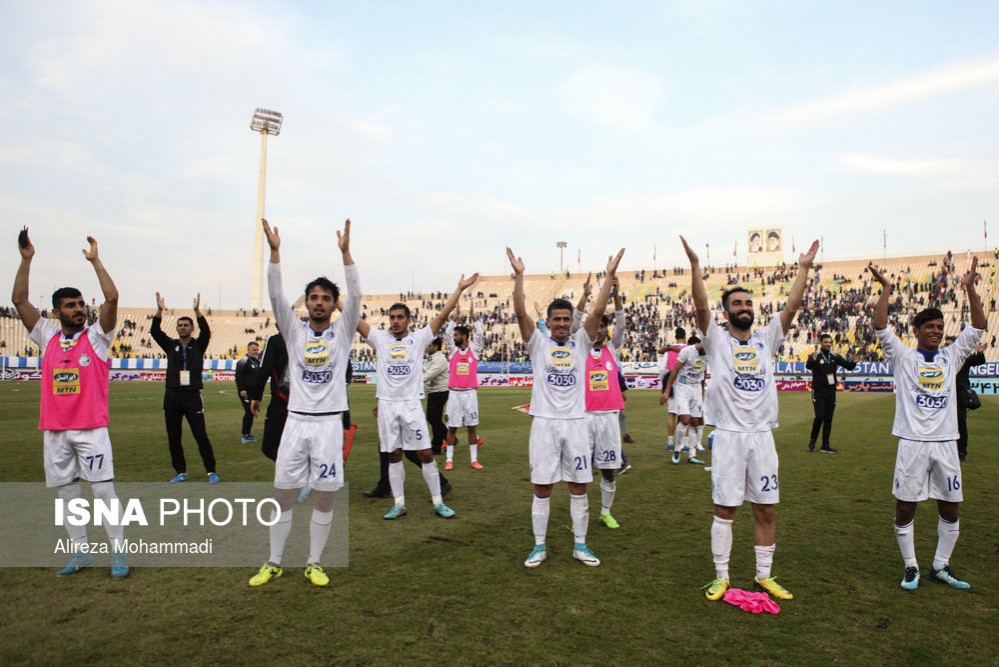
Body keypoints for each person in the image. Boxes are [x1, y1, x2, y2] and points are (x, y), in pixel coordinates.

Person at [683, 235, 818, 602]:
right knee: (725, 509)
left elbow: (790, 308)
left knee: (765, 508)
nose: (744, 307)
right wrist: (696, 268)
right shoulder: (716, 340)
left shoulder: (766, 339)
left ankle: (763, 576)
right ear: (726, 312)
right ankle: (722, 577)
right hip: (727, 436)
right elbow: (699, 308)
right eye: (736, 303)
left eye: (747, 302)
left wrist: (803, 269)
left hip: (762, 436)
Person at [248, 217, 360, 588]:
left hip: (329, 424)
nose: (318, 303)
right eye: (313, 297)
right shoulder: (293, 330)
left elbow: (356, 298)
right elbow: (276, 294)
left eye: (326, 298)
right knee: (282, 496)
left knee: (324, 500)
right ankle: (273, 561)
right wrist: (275, 253)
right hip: (295, 422)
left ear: (333, 305)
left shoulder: (343, 334)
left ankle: (314, 562)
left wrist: (346, 256)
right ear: (307, 302)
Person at [12, 230, 128, 578]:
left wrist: (96, 262)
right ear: (56, 311)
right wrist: (26, 259)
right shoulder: (47, 336)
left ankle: (118, 554)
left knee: (104, 491)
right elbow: (19, 300)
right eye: (71, 306)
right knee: (68, 496)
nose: (79, 310)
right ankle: (81, 553)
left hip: (91, 429)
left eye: (81, 304)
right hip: (55, 430)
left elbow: (112, 298)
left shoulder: (96, 336)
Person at [869, 259, 985, 591]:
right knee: (906, 507)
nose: (936, 331)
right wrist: (887, 290)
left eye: (939, 326)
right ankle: (910, 567)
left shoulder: (952, 356)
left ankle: (940, 566)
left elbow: (978, 327)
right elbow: (879, 326)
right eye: (929, 327)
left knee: (951, 507)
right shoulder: (903, 357)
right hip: (912, 443)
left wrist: (971, 288)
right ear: (917, 331)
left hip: (946, 443)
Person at [508, 245, 624, 568]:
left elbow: (598, 312)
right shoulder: (538, 344)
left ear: (573, 321)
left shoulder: (582, 343)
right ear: (547, 322)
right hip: (544, 422)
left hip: (576, 422)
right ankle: (539, 546)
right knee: (542, 487)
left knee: (578, 487)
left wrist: (608, 278)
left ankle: (580, 545)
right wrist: (519, 278)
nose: (561, 324)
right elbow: (519, 313)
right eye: (556, 319)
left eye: (566, 319)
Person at [358, 273, 479, 520]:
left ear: (408, 320)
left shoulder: (419, 339)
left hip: (411, 405)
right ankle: (399, 503)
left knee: (424, 452)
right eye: (392, 317)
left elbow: (443, 315)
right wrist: (340, 302)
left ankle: (438, 502)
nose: (395, 321)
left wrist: (459, 289)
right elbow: (354, 320)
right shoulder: (380, 339)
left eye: (400, 317)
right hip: (388, 405)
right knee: (393, 454)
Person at [151, 292, 218, 484]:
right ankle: (180, 471)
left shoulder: (198, 345)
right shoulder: (170, 345)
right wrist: (159, 311)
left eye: (186, 325)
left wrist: (197, 312)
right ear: (177, 328)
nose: (182, 328)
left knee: (200, 435)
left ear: (191, 328)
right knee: (174, 436)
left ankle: (211, 471)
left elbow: (207, 332)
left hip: (192, 396)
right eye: (180, 325)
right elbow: (155, 332)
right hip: (172, 395)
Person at [443, 301, 485, 470]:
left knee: (471, 427)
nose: (454, 337)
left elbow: (480, 335)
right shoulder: (452, 351)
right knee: (452, 427)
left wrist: (475, 319)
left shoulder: (473, 351)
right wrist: (454, 318)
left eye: (457, 335)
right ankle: (449, 459)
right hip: (454, 394)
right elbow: (446, 334)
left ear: (465, 337)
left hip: (470, 394)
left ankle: (474, 460)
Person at [805, 333, 861, 453]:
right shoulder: (816, 355)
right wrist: (812, 360)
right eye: (826, 342)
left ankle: (825, 445)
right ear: (821, 343)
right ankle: (813, 440)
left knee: (828, 419)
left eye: (830, 342)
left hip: (830, 391)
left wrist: (854, 362)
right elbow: (808, 366)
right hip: (818, 390)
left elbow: (848, 366)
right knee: (819, 416)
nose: (828, 344)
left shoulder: (835, 356)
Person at [662, 335, 707, 465]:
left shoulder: (709, 353)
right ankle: (677, 449)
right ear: (702, 343)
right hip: (682, 387)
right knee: (685, 419)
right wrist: (667, 391)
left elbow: (703, 373)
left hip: (696, 388)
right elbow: (675, 371)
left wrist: (701, 392)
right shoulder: (687, 351)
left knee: (695, 421)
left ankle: (692, 455)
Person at [250, 331, 289, 462]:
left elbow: (264, 369)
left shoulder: (275, 341)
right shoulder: (308, 337)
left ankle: (296, 474)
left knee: (269, 446)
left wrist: (256, 397)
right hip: (307, 403)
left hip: (282, 400)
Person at [947, 336, 987, 463]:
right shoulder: (941, 358)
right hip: (945, 396)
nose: (946, 346)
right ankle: (948, 451)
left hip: (959, 396)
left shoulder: (963, 357)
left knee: (960, 425)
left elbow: (979, 361)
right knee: (945, 425)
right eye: (945, 344)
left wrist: (979, 352)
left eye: (949, 344)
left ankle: (961, 453)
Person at [658, 327, 687, 451]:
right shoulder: (688, 349)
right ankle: (684, 444)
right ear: (685, 337)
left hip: (671, 383)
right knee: (685, 415)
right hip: (684, 384)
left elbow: (662, 369)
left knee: (671, 414)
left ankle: (670, 443)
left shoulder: (669, 351)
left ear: (675, 337)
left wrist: (664, 384)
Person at [424, 337, 449, 456]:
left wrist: (414, 382)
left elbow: (429, 375)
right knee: (435, 419)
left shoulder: (439, 360)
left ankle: (450, 440)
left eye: (429, 346)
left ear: (436, 347)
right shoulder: (434, 358)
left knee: (432, 418)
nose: (427, 348)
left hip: (439, 391)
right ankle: (436, 446)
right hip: (435, 391)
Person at [235, 341, 262, 444]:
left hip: (253, 392)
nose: (256, 351)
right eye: (254, 349)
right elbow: (239, 376)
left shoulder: (256, 361)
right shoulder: (243, 361)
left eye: (257, 350)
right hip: (246, 392)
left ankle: (247, 434)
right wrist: (241, 389)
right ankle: (246, 435)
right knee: (249, 411)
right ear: (248, 349)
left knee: (251, 412)